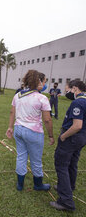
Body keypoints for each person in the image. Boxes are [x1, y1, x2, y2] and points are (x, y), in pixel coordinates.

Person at [6, 70, 54, 191]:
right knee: (36, 160)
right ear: (38, 82)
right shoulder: (42, 98)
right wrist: (51, 135)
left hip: (18, 129)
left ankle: (20, 184)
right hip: (34, 132)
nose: (44, 84)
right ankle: (38, 184)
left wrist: (10, 127)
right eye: (43, 81)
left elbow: (12, 112)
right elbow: (47, 120)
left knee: (21, 156)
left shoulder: (17, 95)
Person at [50, 80, 86, 211]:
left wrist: (63, 136)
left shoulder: (78, 102)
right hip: (81, 138)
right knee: (72, 163)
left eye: (68, 89)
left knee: (61, 165)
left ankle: (66, 201)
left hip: (72, 137)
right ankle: (69, 186)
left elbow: (77, 125)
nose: (67, 92)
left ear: (75, 89)